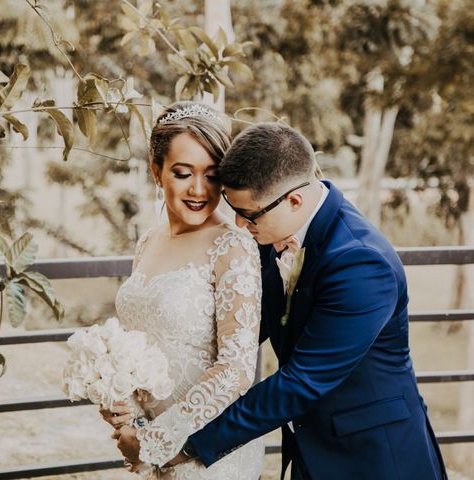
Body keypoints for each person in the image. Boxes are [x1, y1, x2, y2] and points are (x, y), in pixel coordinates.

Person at [170, 122, 446, 479]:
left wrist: (188, 443)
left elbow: (301, 381)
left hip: (375, 459)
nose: (240, 224)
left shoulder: (361, 263)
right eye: (233, 208)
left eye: (249, 214)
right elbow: (245, 330)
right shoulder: (274, 229)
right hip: (310, 452)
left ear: (294, 200)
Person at [101, 102, 265, 479]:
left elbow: (236, 369)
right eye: (182, 172)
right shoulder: (148, 240)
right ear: (156, 172)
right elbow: (139, 344)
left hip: (206, 455)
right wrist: (123, 404)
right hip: (151, 445)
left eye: (211, 175)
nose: (198, 189)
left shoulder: (233, 247)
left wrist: (157, 441)